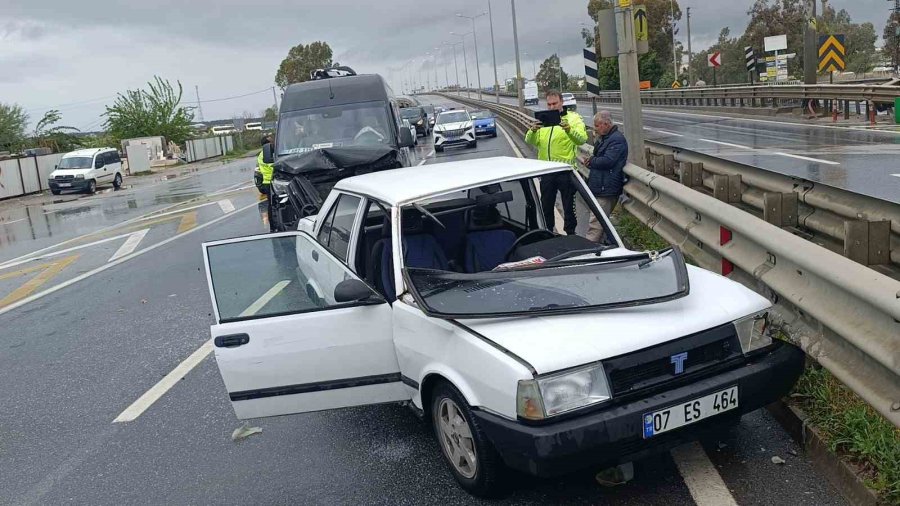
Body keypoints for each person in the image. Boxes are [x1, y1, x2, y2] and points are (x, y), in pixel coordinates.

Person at [525, 90, 588, 235]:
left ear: (562, 102)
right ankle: (548, 232)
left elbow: (582, 139)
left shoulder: (573, 118)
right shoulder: (544, 120)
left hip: (565, 171)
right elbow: (530, 141)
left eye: (555, 103)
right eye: (549, 104)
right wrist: (533, 130)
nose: (552, 107)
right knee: (546, 206)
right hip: (546, 171)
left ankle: (571, 234)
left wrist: (569, 130)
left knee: (568, 207)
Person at [580, 111, 628, 242]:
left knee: (596, 223)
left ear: (606, 124)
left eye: (597, 125)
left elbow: (608, 161)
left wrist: (592, 161)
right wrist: (592, 161)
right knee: (601, 220)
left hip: (606, 187)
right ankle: (602, 246)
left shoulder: (616, 140)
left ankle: (589, 249)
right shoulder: (606, 138)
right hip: (602, 185)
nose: (595, 128)